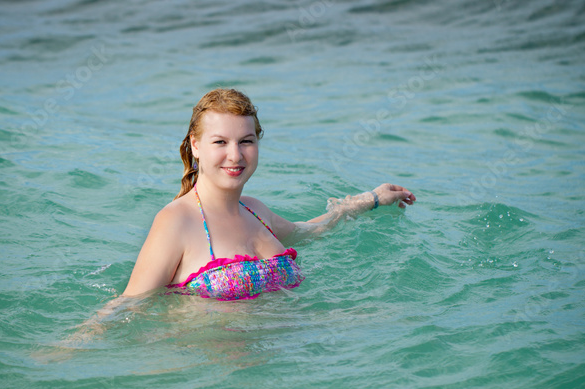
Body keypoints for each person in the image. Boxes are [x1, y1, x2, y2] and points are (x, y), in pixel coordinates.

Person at [121, 87, 416, 301]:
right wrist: (76, 349)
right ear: (196, 146)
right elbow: (127, 307)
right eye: (220, 142)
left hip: (285, 359)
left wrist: (372, 200)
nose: (235, 155)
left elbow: (310, 230)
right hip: (214, 373)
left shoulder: (256, 212)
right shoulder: (176, 221)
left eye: (246, 141)